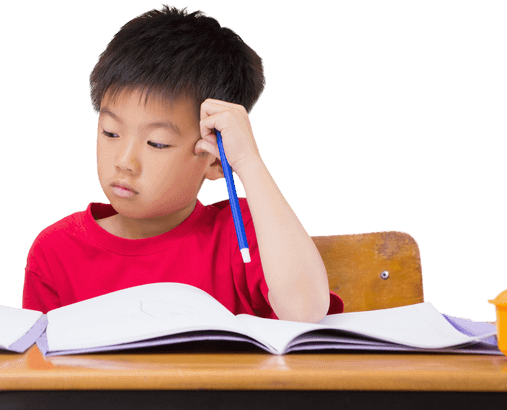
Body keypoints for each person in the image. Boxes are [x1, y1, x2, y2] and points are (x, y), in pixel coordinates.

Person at [22, 5, 342, 322]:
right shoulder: (56, 251)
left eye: (157, 143)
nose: (124, 161)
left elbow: (304, 311)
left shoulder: (240, 232)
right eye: (110, 132)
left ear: (215, 162)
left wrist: (248, 162)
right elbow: (35, 354)